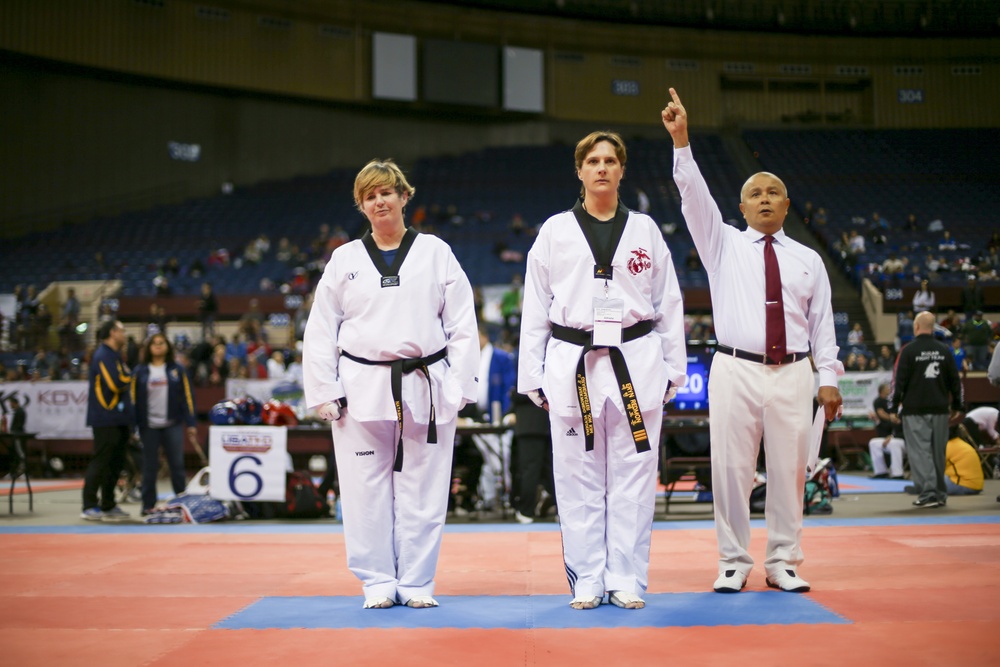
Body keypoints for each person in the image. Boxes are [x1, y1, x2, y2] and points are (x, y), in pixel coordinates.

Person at [664, 88, 843, 595]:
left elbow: (823, 325)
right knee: (731, 468)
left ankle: (783, 559)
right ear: (741, 206)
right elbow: (694, 198)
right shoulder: (721, 244)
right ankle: (733, 560)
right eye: (755, 193)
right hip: (736, 368)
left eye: (772, 192)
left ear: (786, 205)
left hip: (793, 369)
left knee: (788, 471)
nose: (764, 198)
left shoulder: (809, 260)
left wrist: (827, 379)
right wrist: (682, 142)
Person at [518, 129, 687, 611]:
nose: (602, 168)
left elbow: (668, 302)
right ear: (580, 170)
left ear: (621, 169)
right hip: (573, 361)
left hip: (634, 359)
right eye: (593, 160)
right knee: (577, 478)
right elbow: (536, 306)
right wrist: (532, 373)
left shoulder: (647, 230)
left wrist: (675, 367)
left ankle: (626, 577)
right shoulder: (554, 231)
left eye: (611, 160)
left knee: (635, 476)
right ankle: (588, 576)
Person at [303, 158, 479, 610]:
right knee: (364, 490)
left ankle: (417, 581)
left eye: (386, 192)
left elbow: (461, 322)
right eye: (369, 195)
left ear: (404, 196)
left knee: (424, 486)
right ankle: (377, 580)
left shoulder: (436, 252)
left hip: (425, 384)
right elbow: (322, 328)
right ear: (361, 206)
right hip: (360, 387)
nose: (379, 200)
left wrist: (462, 385)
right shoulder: (343, 260)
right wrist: (324, 390)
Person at [891, 311, 964, 509]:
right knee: (938, 452)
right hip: (941, 409)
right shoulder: (944, 350)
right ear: (933, 328)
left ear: (916, 327)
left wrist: (893, 405)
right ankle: (939, 493)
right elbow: (954, 381)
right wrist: (957, 405)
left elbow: (899, 381)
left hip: (915, 409)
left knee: (920, 452)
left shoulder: (908, 350)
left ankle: (929, 492)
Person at [131, 333, 198, 515]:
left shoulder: (177, 369)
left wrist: (191, 423)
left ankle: (181, 503)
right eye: (155, 343)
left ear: (168, 346)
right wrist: (133, 426)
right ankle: (147, 505)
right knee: (149, 466)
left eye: (162, 343)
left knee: (177, 465)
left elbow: (187, 397)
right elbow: (133, 400)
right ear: (149, 348)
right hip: (149, 426)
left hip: (172, 424)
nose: (158, 346)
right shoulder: (140, 372)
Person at [81, 320, 135, 522]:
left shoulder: (115, 356)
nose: (124, 334)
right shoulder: (103, 355)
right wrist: (133, 376)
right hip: (105, 417)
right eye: (122, 330)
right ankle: (88, 505)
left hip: (119, 418)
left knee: (116, 462)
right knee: (101, 460)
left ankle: (108, 503)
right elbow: (116, 383)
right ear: (113, 333)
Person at [465, 324, 517, 513]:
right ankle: (491, 496)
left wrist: (504, 413)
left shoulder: (501, 358)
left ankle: (499, 495)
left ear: (484, 336)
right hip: (476, 416)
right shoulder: (469, 358)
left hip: (499, 415)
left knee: (501, 455)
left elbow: (508, 387)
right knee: (489, 457)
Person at [867, 383, 906, 479]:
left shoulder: (907, 410)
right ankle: (881, 471)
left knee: (894, 443)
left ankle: (898, 474)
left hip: (906, 441)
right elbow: (890, 425)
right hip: (894, 438)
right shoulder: (894, 410)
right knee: (873, 443)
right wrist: (877, 420)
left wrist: (893, 437)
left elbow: (907, 429)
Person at [944, 427, 983, 495]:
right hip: (976, 486)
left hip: (961, 485)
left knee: (928, 481)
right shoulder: (960, 443)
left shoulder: (947, 446)